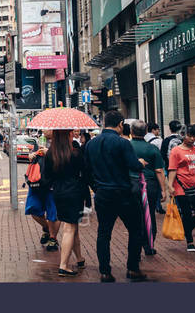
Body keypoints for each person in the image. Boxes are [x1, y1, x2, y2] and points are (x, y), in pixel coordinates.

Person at [84, 110, 146, 282]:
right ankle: (133, 268)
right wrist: (140, 163)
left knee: (104, 233)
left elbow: (86, 171)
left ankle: (105, 271)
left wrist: (96, 188)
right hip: (124, 193)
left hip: (103, 194)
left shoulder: (91, 144)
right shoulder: (123, 143)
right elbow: (133, 165)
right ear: (120, 124)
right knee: (135, 230)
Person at [44, 129, 86, 276]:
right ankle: (64, 266)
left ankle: (79, 258)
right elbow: (85, 172)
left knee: (73, 226)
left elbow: (46, 177)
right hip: (74, 192)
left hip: (58, 192)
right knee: (69, 228)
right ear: (67, 135)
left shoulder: (50, 154)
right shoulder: (75, 153)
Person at [129, 120, 169, 256]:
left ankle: (135, 246)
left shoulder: (127, 146)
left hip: (130, 184)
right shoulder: (152, 148)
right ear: (146, 132)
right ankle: (148, 245)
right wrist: (164, 190)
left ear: (131, 132)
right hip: (150, 185)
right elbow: (159, 170)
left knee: (133, 215)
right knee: (149, 213)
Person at [167, 124, 195, 252]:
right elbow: (172, 169)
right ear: (183, 135)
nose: (191, 139)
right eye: (189, 136)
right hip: (181, 187)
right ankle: (190, 241)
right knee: (187, 213)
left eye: (194, 136)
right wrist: (170, 185)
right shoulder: (176, 151)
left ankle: (185, 229)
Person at [25, 143, 59, 250]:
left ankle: (53, 238)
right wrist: (31, 155)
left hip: (52, 184)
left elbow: (65, 160)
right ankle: (47, 229)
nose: (45, 130)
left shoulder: (60, 140)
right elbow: (32, 156)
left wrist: (49, 153)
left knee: (53, 213)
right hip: (36, 183)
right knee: (33, 209)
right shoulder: (39, 140)